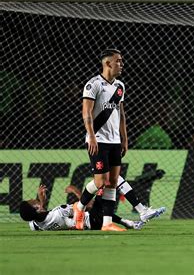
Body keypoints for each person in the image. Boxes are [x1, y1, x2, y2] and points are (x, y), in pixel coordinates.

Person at [74, 48, 128, 231]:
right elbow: (86, 112)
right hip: (97, 139)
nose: (121, 64)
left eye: (121, 61)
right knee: (100, 182)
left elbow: (120, 113)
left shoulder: (120, 86)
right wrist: (90, 135)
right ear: (107, 63)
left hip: (114, 141)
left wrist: (124, 139)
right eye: (118, 61)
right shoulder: (93, 84)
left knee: (112, 181)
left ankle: (107, 224)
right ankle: (79, 207)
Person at [19, 183, 165, 231]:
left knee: (109, 187)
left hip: (91, 222)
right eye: (33, 201)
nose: (33, 199)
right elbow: (86, 205)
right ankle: (142, 211)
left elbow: (38, 217)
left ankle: (132, 223)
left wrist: (41, 203)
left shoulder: (35, 224)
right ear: (36, 208)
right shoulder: (60, 212)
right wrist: (74, 190)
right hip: (91, 220)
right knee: (107, 182)